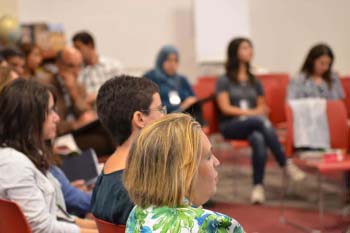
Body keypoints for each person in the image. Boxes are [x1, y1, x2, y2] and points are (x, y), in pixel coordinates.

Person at [0, 78, 97, 233]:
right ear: (30, 117)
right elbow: (42, 228)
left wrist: (103, 229)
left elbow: (59, 216)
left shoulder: (30, 154)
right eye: (51, 110)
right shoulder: (13, 163)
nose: (57, 118)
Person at [215, 37, 305, 204]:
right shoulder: (224, 80)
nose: (250, 51)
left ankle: (258, 187)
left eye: (251, 48)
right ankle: (284, 162)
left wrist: (255, 113)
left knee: (258, 138)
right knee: (259, 121)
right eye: (245, 48)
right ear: (235, 52)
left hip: (253, 124)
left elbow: (262, 107)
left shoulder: (254, 80)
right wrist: (251, 112)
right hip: (231, 124)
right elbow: (225, 107)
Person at [123, 113, 244, 232]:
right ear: (183, 171)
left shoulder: (138, 214)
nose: (216, 162)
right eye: (208, 157)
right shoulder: (214, 224)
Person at [91, 75, 164, 225]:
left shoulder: (106, 174)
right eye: (160, 110)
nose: (165, 116)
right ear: (140, 119)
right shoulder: (140, 188)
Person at [144, 45, 204, 123]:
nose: (172, 64)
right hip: (161, 121)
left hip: (184, 120)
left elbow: (193, 100)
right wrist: (181, 107)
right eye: (169, 60)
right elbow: (150, 106)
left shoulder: (182, 80)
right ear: (161, 60)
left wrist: (188, 104)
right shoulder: (150, 78)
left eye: (176, 60)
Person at [72, 31, 122, 104]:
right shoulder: (77, 71)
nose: (77, 52)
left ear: (90, 45)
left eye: (79, 48)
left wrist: (97, 96)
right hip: (89, 110)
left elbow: (123, 91)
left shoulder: (113, 66)